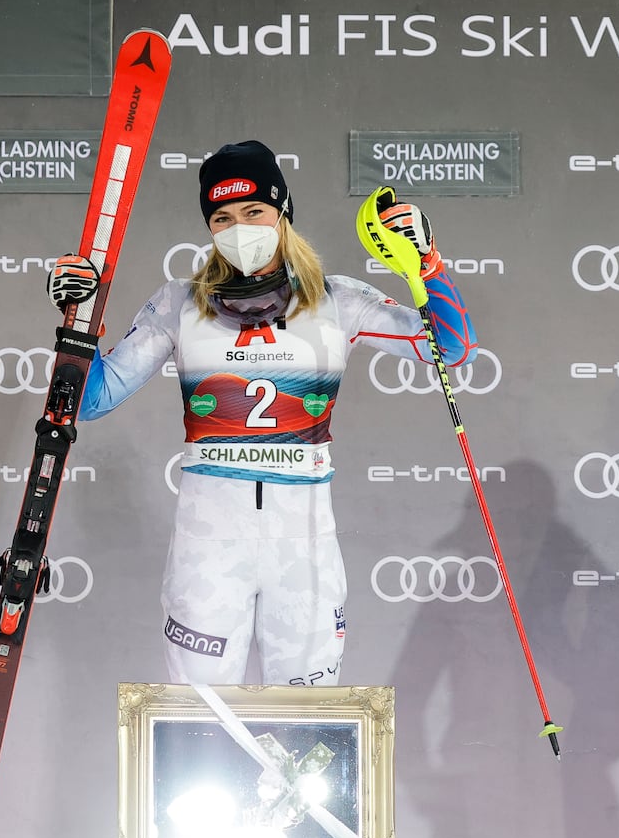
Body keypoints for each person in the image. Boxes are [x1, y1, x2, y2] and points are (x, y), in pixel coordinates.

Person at [44, 139, 476, 685]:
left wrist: (428, 263)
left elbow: (451, 349)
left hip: (304, 546)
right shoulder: (178, 303)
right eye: (221, 218)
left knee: (307, 727)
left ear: (282, 214)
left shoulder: (336, 300)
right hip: (209, 545)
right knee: (198, 718)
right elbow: (90, 399)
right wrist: (76, 321)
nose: (238, 229)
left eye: (253, 212)